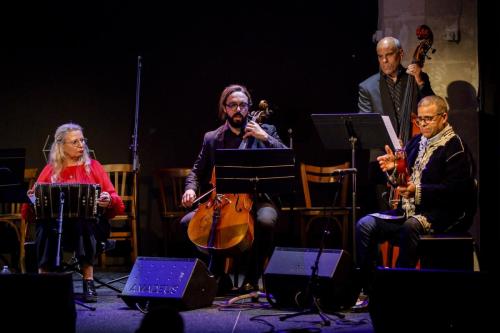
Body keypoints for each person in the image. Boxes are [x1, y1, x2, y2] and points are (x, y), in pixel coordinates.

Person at [354, 95, 475, 308]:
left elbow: (457, 192)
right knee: (365, 225)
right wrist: (394, 169)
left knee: (411, 227)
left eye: (428, 118)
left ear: (443, 117)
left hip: (444, 214)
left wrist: (417, 191)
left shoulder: (455, 147)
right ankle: (372, 291)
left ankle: (400, 292)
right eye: (420, 119)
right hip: (409, 211)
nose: (423, 124)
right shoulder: (416, 142)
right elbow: (401, 180)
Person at [180, 84, 287, 294]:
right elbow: (196, 171)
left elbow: (285, 156)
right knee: (187, 223)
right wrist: (190, 189)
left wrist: (264, 138)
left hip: (258, 196)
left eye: (242, 105)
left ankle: (252, 277)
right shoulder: (212, 138)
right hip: (223, 199)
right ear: (225, 108)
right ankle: (218, 272)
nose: (238, 109)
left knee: (265, 220)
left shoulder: (266, 130)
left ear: (249, 107)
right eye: (233, 105)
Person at [22, 123, 125, 302]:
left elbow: (116, 201)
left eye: (82, 140)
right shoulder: (50, 170)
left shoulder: (94, 166)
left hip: (90, 227)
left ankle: (88, 280)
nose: (81, 145)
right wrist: (32, 200)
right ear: (61, 146)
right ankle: (44, 279)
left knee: (82, 220)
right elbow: (29, 214)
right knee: (45, 223)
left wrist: (108, 201)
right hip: (57, 229)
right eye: (75, 141)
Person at [358, 36, 435, 212]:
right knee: (385, 216)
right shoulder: (367, 87)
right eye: (380, 56)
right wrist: (392, 143)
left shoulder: (415, 79)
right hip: (383, 161)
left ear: (400, 54)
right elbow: (367, 126)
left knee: (415, 213)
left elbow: (432, 108)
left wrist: (421, 82)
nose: (384, 60)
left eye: (389, 55)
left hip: (415, 158)